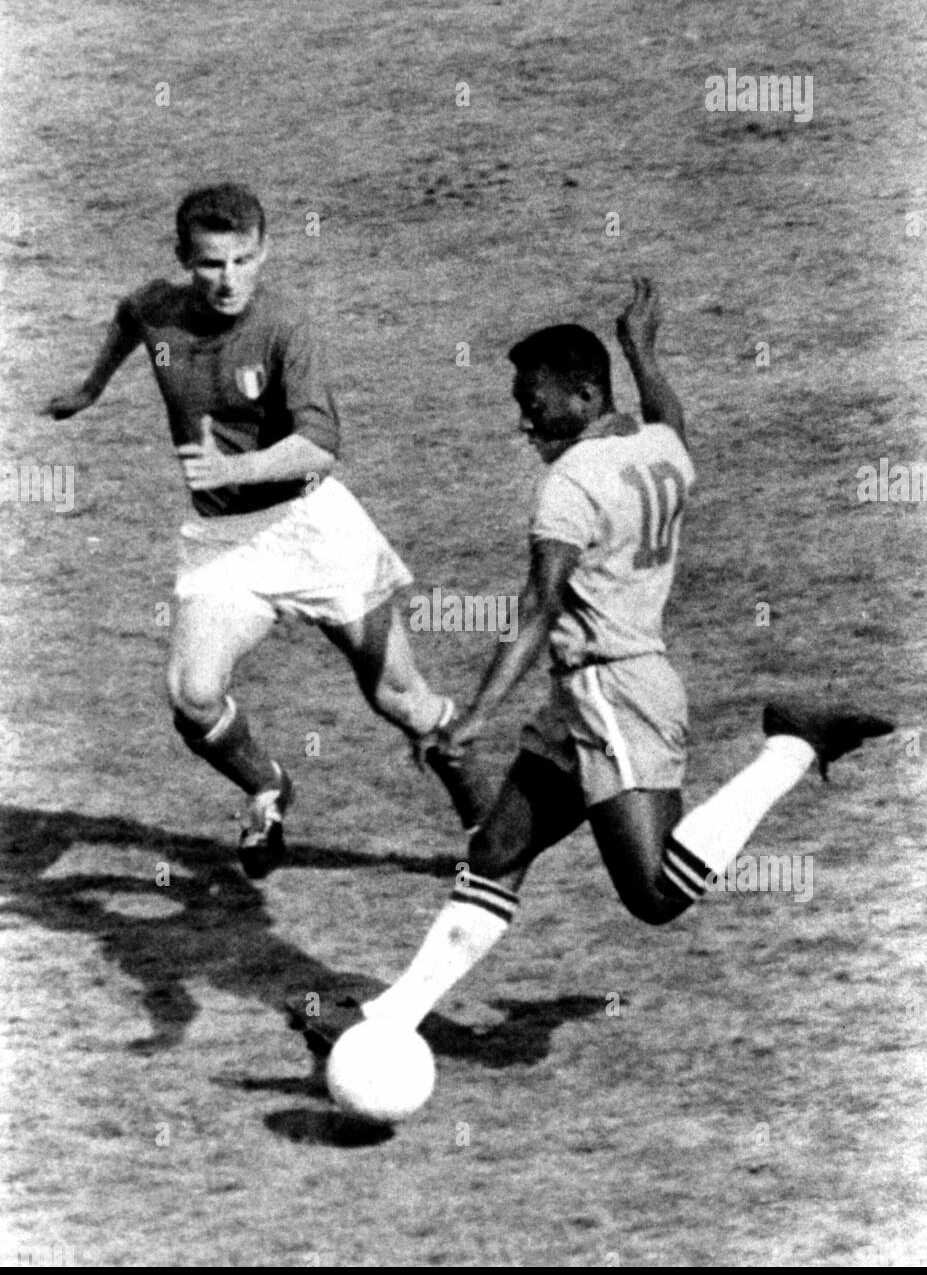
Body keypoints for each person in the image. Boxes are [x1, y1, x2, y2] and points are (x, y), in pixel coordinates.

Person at [289, 278, 893, 1053]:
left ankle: (791, 746)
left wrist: (470, 720)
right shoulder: (657, 449)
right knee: (496, 850)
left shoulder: (567, 484)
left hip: (615, 693)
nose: (524, 418)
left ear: (581, 393)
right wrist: (643, 351)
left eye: (534, 402)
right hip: (588, 698)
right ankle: (386, 1020)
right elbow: (670, 420)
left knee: (654, 893)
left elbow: (537, 610)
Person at [44, 183, 491, 877]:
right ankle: (266, 787)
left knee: (397, 696)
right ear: (183, 261)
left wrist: (236, 468)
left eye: (243, 260)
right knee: (192, 696)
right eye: (211, 264)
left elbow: (320, 443)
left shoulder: (287, 324)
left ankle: (488, 830)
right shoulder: (158, 307)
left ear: (265, 251)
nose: (229, 280)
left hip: (313, 526)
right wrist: (90, 388)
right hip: (227, 542)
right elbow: (129, 319)